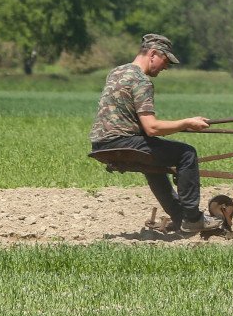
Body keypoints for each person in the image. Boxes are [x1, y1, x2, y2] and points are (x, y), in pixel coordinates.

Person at [89, 33, 221, 233]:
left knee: (154, 163)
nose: (166, 67)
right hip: (122, 141)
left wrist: (177, 126)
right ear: (152, 54)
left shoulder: (116, 72)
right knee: (187, 154)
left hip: (101, 143)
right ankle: (193, 218)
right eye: (165, 60)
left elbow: (135, 122)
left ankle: (180, 218)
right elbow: (151, 128)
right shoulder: (141, 81)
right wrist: (186, 122)